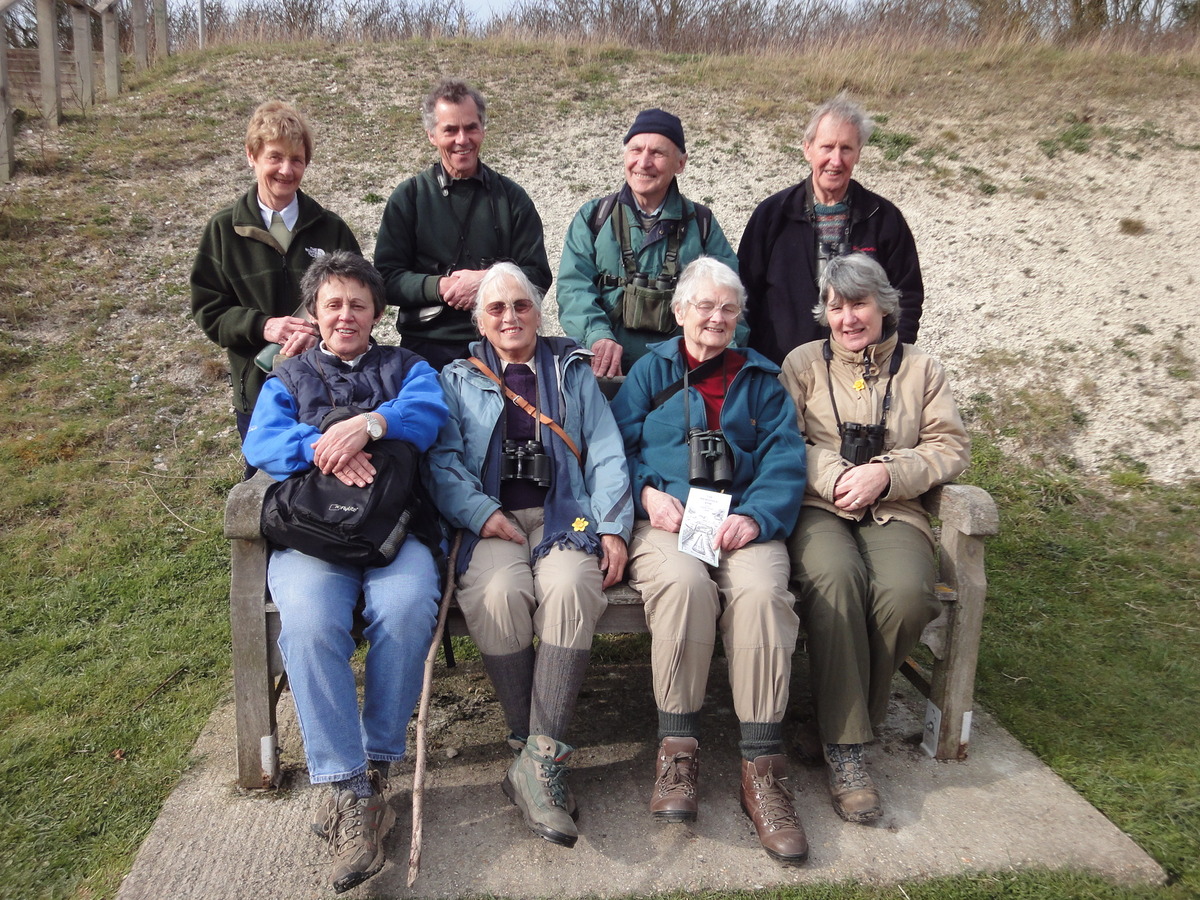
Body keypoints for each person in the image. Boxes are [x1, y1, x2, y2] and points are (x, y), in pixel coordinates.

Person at [242, 252, 448, 893]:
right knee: (307, 621)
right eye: (332, 304)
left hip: (394, 533)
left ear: (377, 313)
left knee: (409, 604)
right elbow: (261, 442)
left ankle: (379, 761)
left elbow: (430, 413)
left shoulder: (406, 366)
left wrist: (371, 424)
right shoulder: (289, 375)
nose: (345, 315)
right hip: (315, 535)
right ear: (314, 312)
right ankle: (347, 784)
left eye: (358, 304)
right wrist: (324, 447)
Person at [425, 262, 633, 849]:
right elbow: (442, 463)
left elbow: (608, 451)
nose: (510, 317)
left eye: (521, 305)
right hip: (491, 518)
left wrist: (612, 526)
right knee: (498, 592)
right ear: (480, 320)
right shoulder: (457, 378)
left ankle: (538, 758)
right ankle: (529, 746)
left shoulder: (571, 370)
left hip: (567, 513)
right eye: (497, 309)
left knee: (571, 586)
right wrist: (479, 513)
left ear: (540, 312)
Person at [610, 257, 810, 866]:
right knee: (682, 584)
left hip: (742, 518)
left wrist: (756, 517)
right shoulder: (651, 371)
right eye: (705, 306)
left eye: (728, 308)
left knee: (761, 594)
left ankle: (763, 768)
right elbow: (613, 444)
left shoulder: (762, 379)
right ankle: (678, 751)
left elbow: (785, 460)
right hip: (670, 520)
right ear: (680, 313)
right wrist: (646, 491)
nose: (716, 317)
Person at [779, 253, 969, 825]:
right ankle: (849, 752)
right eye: (836, 307)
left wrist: (888, 472)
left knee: (908, 597)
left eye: (858, 304)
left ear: (883, 306)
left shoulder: (922, 370)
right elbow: (782, 441)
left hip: (897, 509)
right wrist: (834, 473)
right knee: (837, 580)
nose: (847, 318)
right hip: (821, 507)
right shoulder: (802, 364)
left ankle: (834, 718)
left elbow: (950, 446)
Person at [191, 100, 362, 474]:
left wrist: (320, 331)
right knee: (268, 492)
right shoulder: (223, 231)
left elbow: (361, 302)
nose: (286, 170)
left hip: (329, 390)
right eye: (275, 157)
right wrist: (263, 326)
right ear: (251, 156)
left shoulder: (331, 229)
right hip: (259, 393)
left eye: (297, 159)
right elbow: (209, 311)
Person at [374, 78, 553, 371]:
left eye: (471, 127)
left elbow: (538, 276)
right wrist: (440, 287)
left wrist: (487, 281)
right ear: (432, 135)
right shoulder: (409, 197)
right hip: (425, 347)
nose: (462, 139)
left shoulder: (512, 198)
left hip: (501, 345)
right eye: (450, 130)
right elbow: (385, 279)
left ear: (482, 129)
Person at [738, 94, 923, 365]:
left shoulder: (884, 219)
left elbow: (907, 297)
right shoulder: (772, 215)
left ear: (859, 153)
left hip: (863, 371)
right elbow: (744, 294)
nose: (836, 160)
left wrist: (892, 360)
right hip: (782, 370)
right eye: (827, 147)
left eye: (846, 148)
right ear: (807, 149)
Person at [558, 108, 743, 377]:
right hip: (607, 369)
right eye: (636, 150)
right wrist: (597, 336)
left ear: (680, 164)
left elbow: (731, 298)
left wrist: (722, 362)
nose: (643, 162)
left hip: (680, 373)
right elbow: (573, 287)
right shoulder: (594, 217)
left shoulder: (701, 223)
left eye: (657, 153)